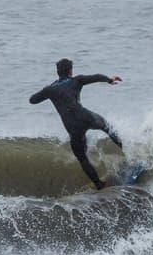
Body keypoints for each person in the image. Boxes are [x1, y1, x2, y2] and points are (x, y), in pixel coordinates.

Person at [30, 58, 124, 189]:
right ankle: (128, 152)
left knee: (82, 157)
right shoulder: (76, 80)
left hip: (71, 126)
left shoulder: (50, 90)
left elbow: (32, 100)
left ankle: (99, 184)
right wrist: (109, 79)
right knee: (107, 127)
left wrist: (48, 90)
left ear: (58, 72)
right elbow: (95, 77)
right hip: (85, 117)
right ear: (70, 72)